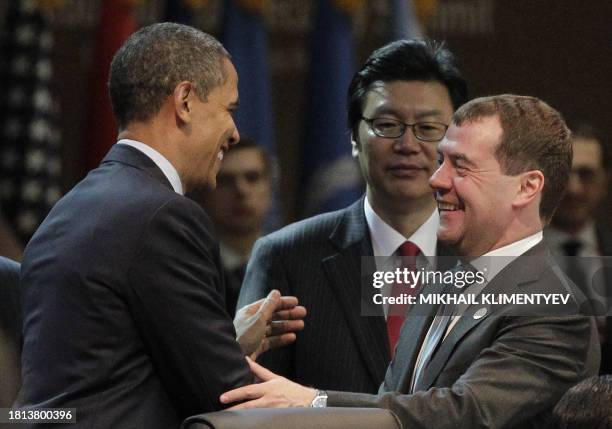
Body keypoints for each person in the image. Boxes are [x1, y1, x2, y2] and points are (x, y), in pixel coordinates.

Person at [221, 95, 601, 429]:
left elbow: (464, 413)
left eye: (460, 166)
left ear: (527, 187)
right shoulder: (441, 281)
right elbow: (396, 400)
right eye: (441, 162)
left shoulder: (556, 307)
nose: (436, 179)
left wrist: (313, 402)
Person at [15, 23, 305, 429]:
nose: (235, 133)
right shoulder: (164, 216)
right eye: (229, 110)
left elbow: (112, 366)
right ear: (185, 101)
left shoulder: (71, 207)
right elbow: (224, 395)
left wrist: (228, 342)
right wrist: (320, 406)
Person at [237, 39, 468, 393]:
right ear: (354, 138)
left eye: (428, 128)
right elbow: (252, 396)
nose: (407, 144)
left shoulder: (485, 258)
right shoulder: (287, 256)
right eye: (387, 124)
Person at [546, 124, 611, 374]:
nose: (573, 188)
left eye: (585, 174)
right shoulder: (511, 259)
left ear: (605, 179)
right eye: (564, 174)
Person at [192, 137, 272, 317]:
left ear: (269, 186)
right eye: (225, 181)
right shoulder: (189, 272)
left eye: (252, 178)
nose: (241, 191)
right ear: (203, 191)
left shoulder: (294, 263)